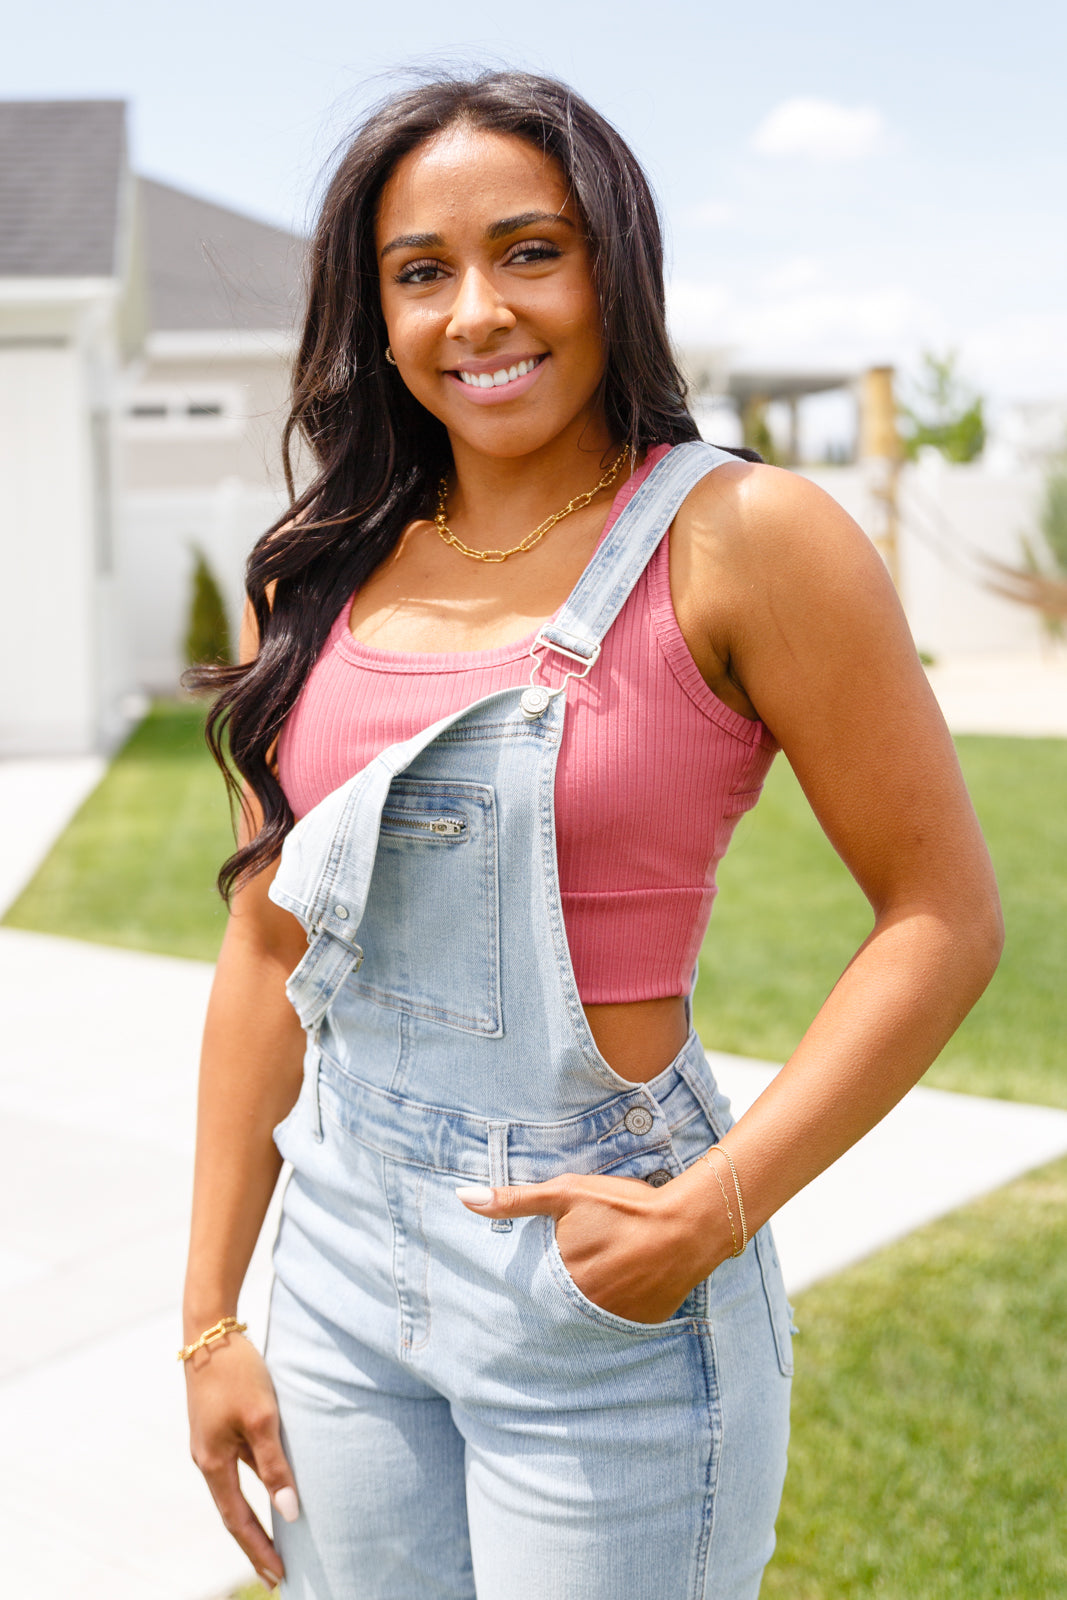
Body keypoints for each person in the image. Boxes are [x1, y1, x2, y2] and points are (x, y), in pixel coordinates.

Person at [180, 70, 1002, 1600]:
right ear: (375, 317)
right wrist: (212, 1313)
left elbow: (942, 912)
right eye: (421, 274)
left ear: (614, 263)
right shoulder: (309, 576)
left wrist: (712, 1208)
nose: (477, 311)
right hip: (346, 1262)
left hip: (603, 1280)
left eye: (530, 251)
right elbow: (266, 940)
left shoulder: (745, 539)